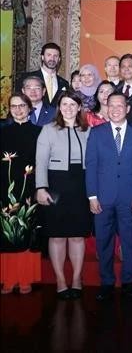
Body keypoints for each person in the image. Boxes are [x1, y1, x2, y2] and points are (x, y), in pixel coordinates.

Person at [85, 92, 132, 301]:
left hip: (130, 196)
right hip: (102, 196)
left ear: (127, 109)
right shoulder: (97, 133)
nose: (116, 109)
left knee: (129, 241)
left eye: (120, 106)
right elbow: (91, 165)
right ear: (106, 108)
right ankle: (106, 282)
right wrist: (92, 196)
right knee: (103, 241)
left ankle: (128, 282)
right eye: (112, 106)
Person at [35, 90, 90, 300]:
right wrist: (41, 187)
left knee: (77, 235)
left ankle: (76, 279)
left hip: (80, 186)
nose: (68, 108)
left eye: (73, 105)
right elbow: (40, 161)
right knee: (57, 235)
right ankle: (60, 279)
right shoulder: (48, 129)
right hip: (55, 185)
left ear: (79, 108)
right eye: (65, 104)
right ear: (59, 107)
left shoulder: (88, 130)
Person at [0, 94, 42, 294]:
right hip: (5, 189)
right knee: (8, 234)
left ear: (29, 107)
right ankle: (8, 279)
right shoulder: (3, 132)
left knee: (26, 233)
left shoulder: (39, 132)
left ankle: (26, 278)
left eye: (22, 106)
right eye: (13, 106)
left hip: (29, 189)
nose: (18, 109)